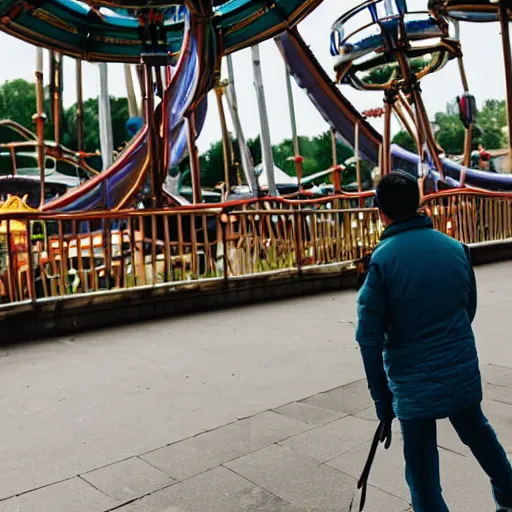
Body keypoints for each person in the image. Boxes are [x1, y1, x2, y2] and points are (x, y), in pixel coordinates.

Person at [356, 171, 512, 512]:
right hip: (460, 369)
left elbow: (368, 338)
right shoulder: (455, 249)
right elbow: (467, 308)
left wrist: (382, 398)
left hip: (412, 383)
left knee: (421, 468)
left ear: (380, 210)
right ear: (418, 202)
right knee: (480, 436)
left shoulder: (382, 260)